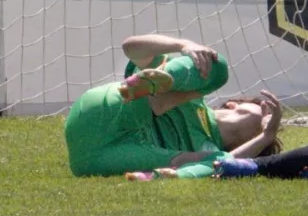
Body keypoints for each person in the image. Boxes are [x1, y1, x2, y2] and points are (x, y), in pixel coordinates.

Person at [64, 34, 283, 177]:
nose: (270, 117)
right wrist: (183, 45)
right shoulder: (193, 94)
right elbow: (130, 47)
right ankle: (156, 89)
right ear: (233, 104)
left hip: (93, 159)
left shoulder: (211, 152)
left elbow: (229, 163)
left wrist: (266, 136)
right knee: (218, 67)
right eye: (265, 108)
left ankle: (165, 174)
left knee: (219, 165)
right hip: (105, 111)